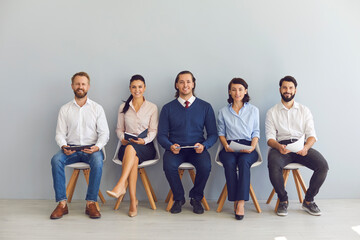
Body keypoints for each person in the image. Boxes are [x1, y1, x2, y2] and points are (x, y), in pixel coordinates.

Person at [265, 76, 329, 216]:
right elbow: (269, 138)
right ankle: (283, 200)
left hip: (301, 148)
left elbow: (312, 135)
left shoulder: (304, 110)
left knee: (323, 166)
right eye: (284, 87)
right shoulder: (272, 112)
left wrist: (306, 148)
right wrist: (278, 146)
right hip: (281, 148)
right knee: (273, 164)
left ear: (295, 90)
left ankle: (308, 201)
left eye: (290, 88)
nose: (287, 90)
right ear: (280, 89)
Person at [50, 72, 109, 219]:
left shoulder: (97, 108)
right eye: (77, 84)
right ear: (72, 86)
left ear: (88, 86)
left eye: (83, 84)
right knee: (56, 160)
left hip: (92, 148)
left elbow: (104, 133)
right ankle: (62, 204)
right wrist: (64, 146)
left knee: (97, 161)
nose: (80, 86)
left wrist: (98, 147)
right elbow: (59, 133)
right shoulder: (65, 109)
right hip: (71, 148)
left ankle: (91, 203)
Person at [157, 70, 217, 214]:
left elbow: (213, 134)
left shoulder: (205, 107)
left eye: (188, 81)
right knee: (168, 165)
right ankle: (178, 198)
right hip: (175, 149)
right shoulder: (168, 108)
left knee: (205, 166)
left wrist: (204, 145)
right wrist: (170, 146)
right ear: (176, 85)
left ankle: (196, 197)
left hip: (197, 149)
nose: (185, 85)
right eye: (182, 82)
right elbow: (161, 135)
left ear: (193, 84)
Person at [106, 74, 158, 217]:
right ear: (130, 88)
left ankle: (121, 185)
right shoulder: (123, 107)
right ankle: (132, 201)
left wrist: (144, 141)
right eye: (134, 87)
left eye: (140, 87)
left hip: (146, 147)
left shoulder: (152, 107)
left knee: (132, 150)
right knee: (132, 155)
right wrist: (122, 138)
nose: (137, 90)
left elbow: (153, 131)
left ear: (144, 88)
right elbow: (118, 129)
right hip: (128, 145)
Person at [217, 78, 260, 220]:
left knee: (243, 163)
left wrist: (252, 147)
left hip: (248, 146)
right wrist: (226, 146)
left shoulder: (253, 110)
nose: (237, 92)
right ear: (229, 91)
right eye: (234, 89)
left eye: (240, 89)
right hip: (229, 146)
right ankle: (234, 199)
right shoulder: (223, 111)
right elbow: (221, 133)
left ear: (245, 91)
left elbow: (256, 132)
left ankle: (240, 202)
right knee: (229, 163)